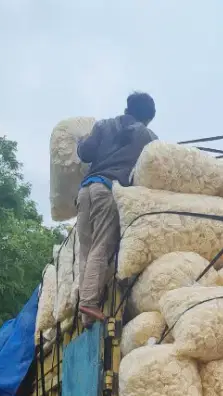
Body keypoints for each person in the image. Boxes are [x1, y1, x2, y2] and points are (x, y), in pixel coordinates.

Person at [75, 92, 157, 326]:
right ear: (149, 118)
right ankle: (89, 303)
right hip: (109, 191)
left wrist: (80, 141)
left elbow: (85, 153)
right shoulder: (149, 137)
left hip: (85, 191)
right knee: (103, 245)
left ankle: (85, 314)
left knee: (86, 250)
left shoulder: (103, 126)